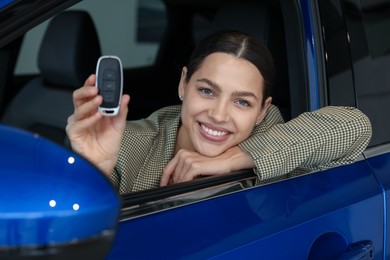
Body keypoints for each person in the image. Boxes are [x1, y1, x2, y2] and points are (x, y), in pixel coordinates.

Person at [66, 30, 372, 195]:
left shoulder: (274, 139)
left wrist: (235, 159)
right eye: (207, 91)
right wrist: (93, 168)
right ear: (184, 84)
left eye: (242, 102)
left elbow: (354, 125)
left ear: (263, 110)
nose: (219, 115)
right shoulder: (129, 143)